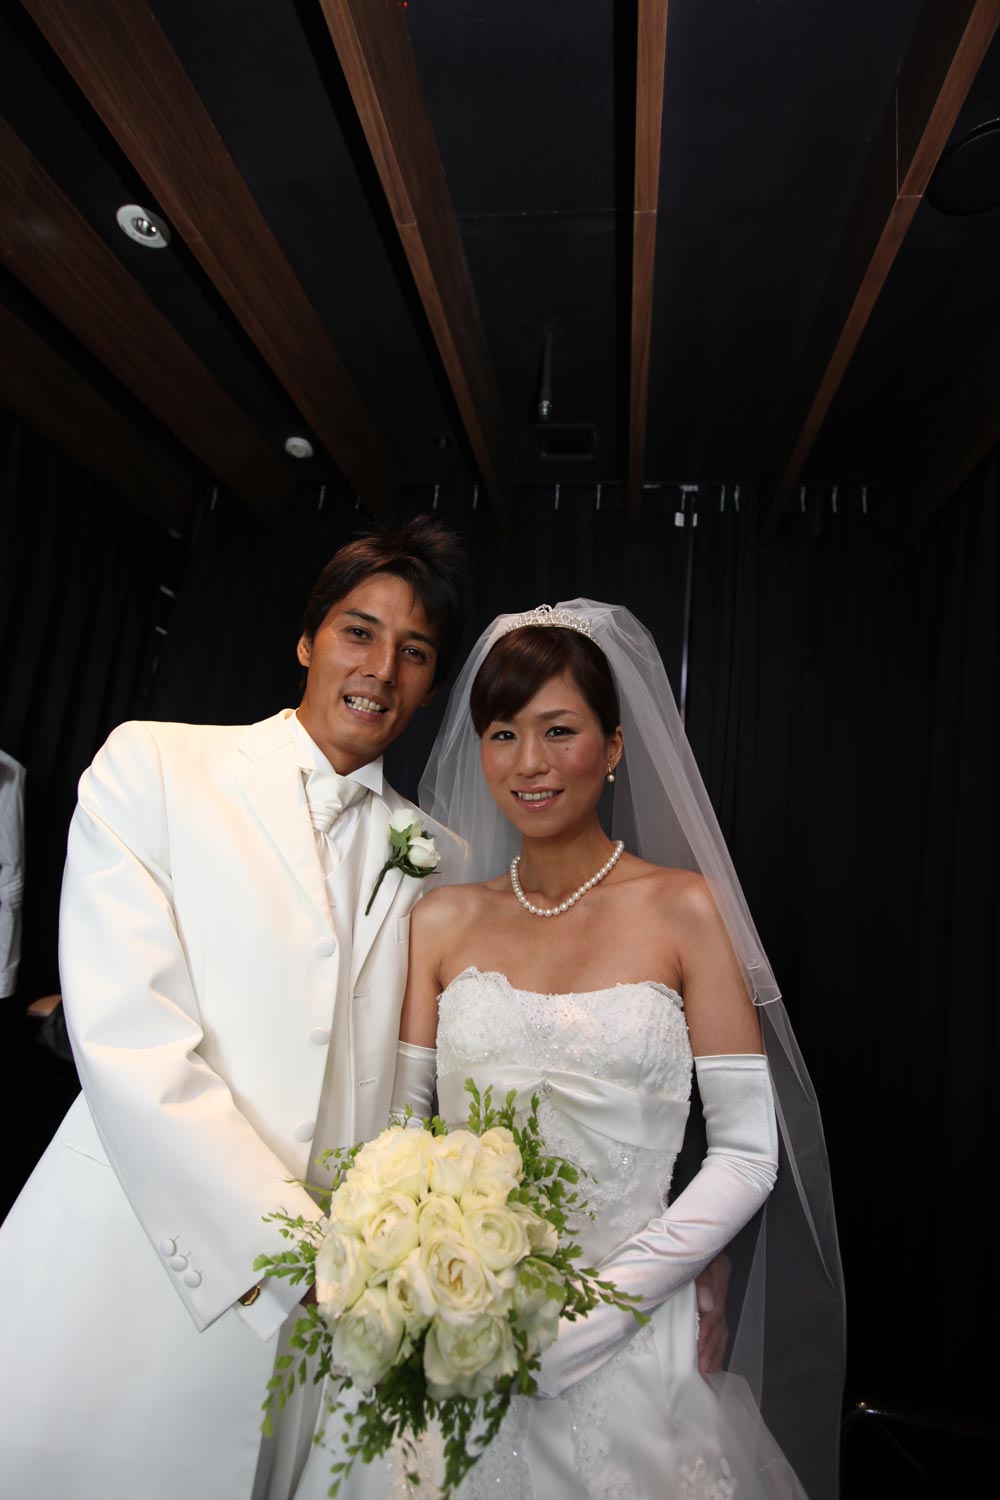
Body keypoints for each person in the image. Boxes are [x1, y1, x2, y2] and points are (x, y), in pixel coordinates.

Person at [294, 601, 844, 1500]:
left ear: (614, 746)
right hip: (460, 1323)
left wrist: (597, 1313)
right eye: (504, 734)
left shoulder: (685, 910)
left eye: (560, 730)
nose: (530, 763)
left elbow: (748, 1152)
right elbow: (401, 1130)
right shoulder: (441, 919)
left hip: (634, 1331)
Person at [0, 518, 470, 1500]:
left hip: (325, 1324)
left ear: (431, 686)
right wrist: (304, 1255)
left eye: (415, 651)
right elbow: (129, 1036)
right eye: (358, 632)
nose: (381, 669)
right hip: (141, 1258)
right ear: (306, 640)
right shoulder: (155, 765)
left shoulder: (443, 859)